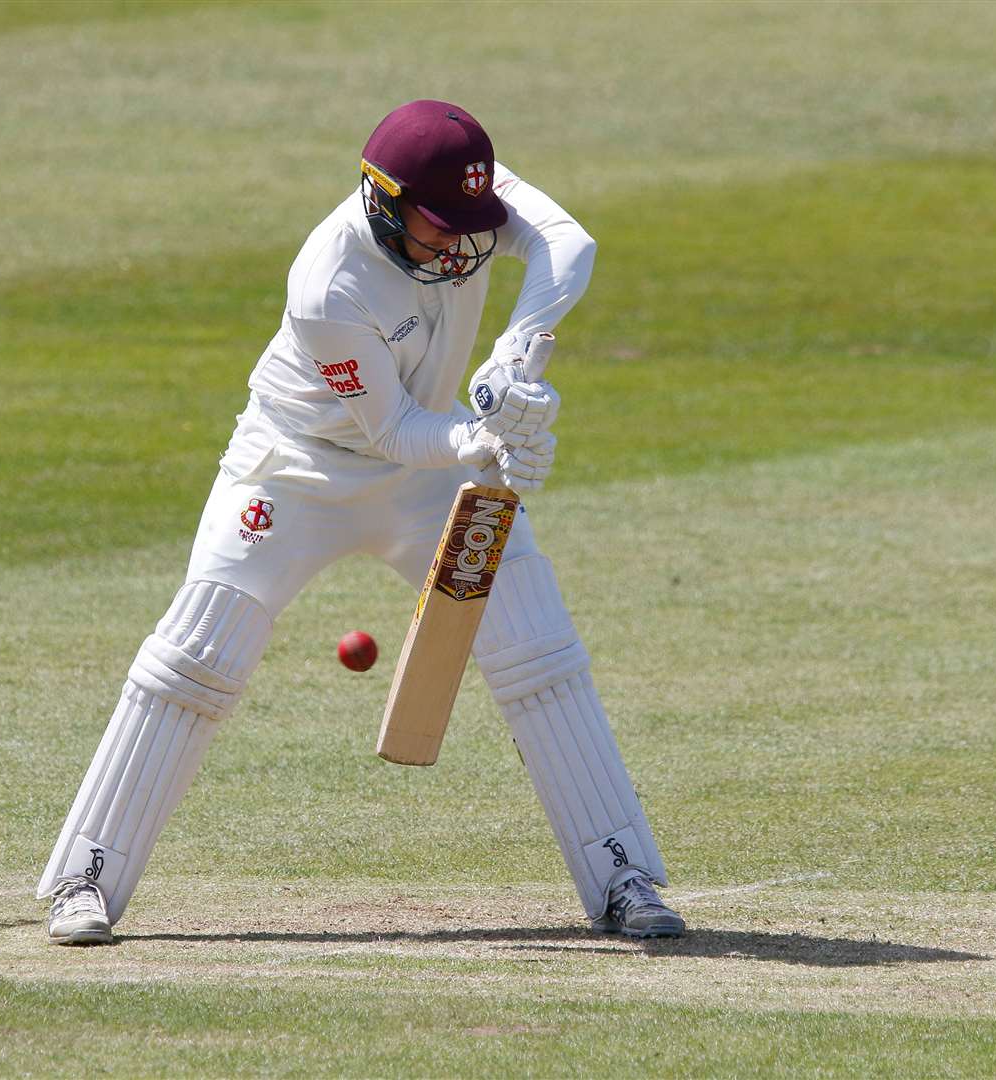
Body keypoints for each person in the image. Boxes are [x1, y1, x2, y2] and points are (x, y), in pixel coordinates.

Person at [36, 100, 684, 944]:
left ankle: (621, 875)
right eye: (439, 226)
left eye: (472, 225)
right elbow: (393, 432)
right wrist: (486, 436)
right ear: (383, 201)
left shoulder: (462, 199)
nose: (460, 246)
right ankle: (85, 876)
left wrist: (512, 356)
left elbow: (571, 246)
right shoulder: (328, 285)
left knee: (536, 643)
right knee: (197, 653)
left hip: (432, 466)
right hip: (299, 468)